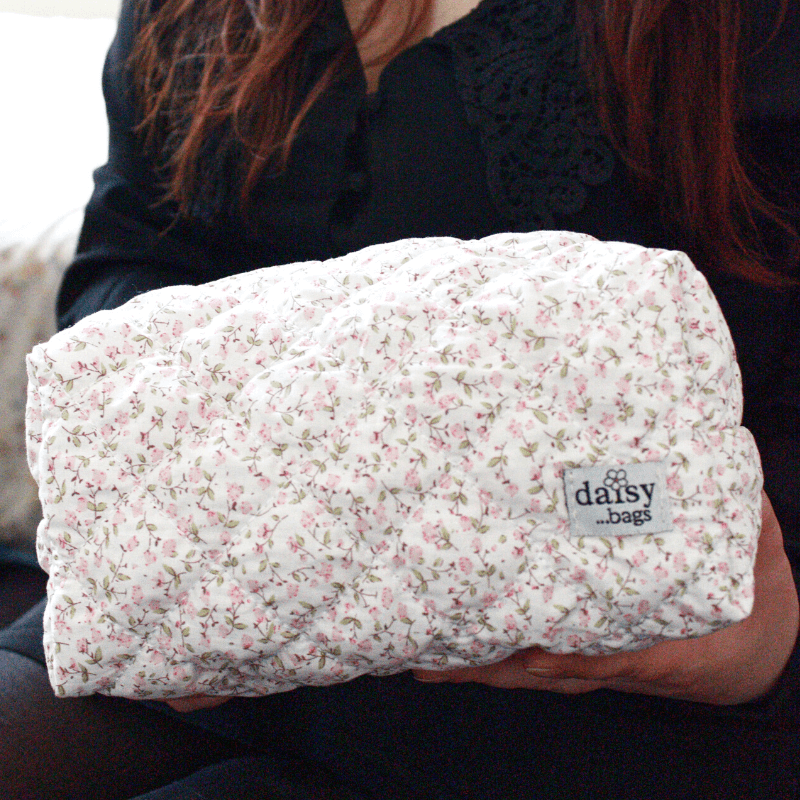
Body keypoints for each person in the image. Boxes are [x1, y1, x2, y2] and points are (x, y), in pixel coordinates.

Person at [1, 0, 798, 797]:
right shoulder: (188, 13)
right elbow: (126, 260)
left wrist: (768, 648)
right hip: (218, 606)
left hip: (601, 700)